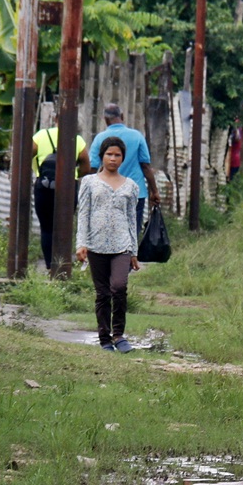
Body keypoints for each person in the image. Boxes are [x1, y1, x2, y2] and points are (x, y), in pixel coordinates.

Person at [76, 136, 141, 352]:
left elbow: (132, 218)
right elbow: (83, 214)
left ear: (123, 158)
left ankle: (119, 335)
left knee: (119, 287)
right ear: (102, 156)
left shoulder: (131, 186)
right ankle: (105, 339)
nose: (113, 159)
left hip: (122, 245)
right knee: (102, 293)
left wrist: (133, 251)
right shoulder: (89, 182)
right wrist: (81, 243)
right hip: (95, 244)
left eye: (117, 155)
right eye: (109, 154)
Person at [89, 103, 157, 238]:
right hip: (135, 193)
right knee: (132, 233)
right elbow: (146, 167)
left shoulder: (99, 139)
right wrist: (154, 191)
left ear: (105, 119)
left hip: (107, 192)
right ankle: (129, 258)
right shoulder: (137, 136)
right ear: (122, 116)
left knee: (108, 232)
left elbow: (92, 169)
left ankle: (112, 257)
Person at [30, 125, 89, 269]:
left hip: (43, 186)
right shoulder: (77, 140)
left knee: (46, 228)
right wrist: (74, 175)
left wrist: (37, 169)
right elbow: (86, 167)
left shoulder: (40, 136)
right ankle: (63, 265)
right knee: (65, 226)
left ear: (55, 118)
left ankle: (50, 266)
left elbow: (25, 156)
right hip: (68, 187)